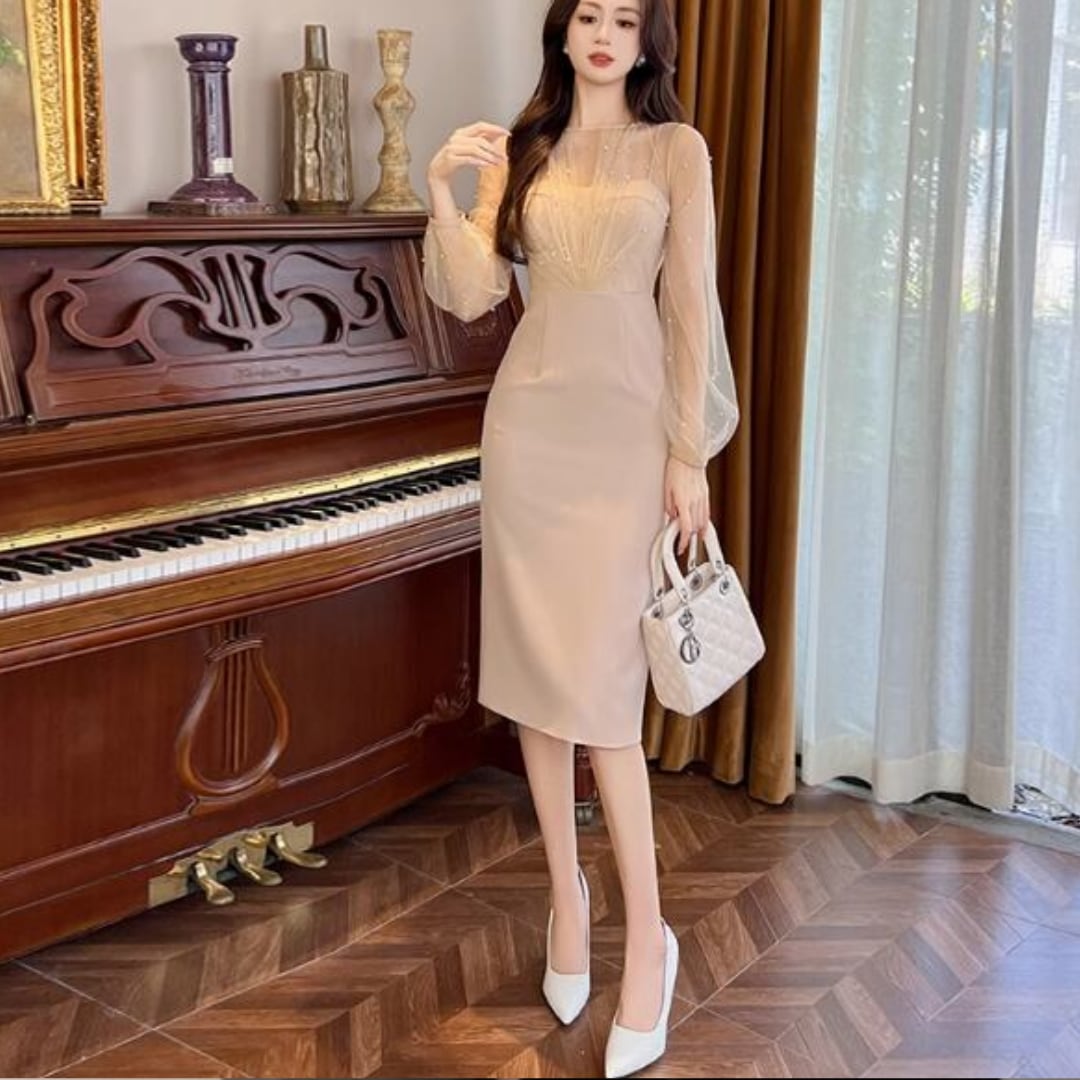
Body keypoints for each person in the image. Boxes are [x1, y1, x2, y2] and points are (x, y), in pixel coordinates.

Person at [423, 0, 738, 1075]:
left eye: (625, 19)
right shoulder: (528, 150)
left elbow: (690, 306)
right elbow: (474, 293)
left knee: (604, 699)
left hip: (626, 437)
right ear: (563, 33)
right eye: (588, 15)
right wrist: (443, 193)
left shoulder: (676, 149)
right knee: (537, 685)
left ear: (647, 42)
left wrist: (688, 454)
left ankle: (649, 939)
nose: (605, 33)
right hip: (528, 431)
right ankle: (567, 896)